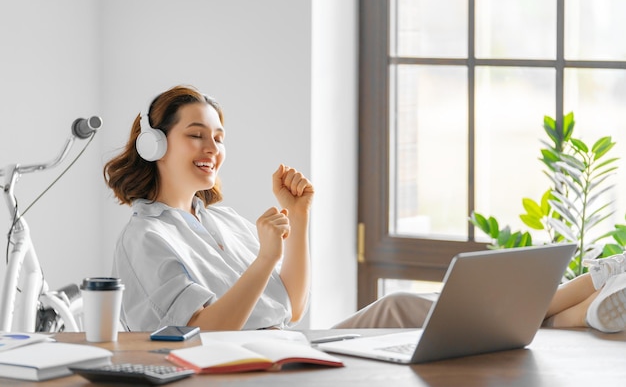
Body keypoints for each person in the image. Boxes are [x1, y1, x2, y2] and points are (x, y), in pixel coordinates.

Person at [103, 84, 626, 334]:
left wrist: (299, 217)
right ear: (155, 145)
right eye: (196, 136)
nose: (212, 148)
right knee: (415, 315)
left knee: (405, 307)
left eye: (218, 136)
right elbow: (210, 334)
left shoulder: (219, 219)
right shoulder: (146, 238)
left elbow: (291, 306)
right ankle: (591, 291)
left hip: (285, 347)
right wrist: (265, 258)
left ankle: (585, 302)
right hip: (239, 367)